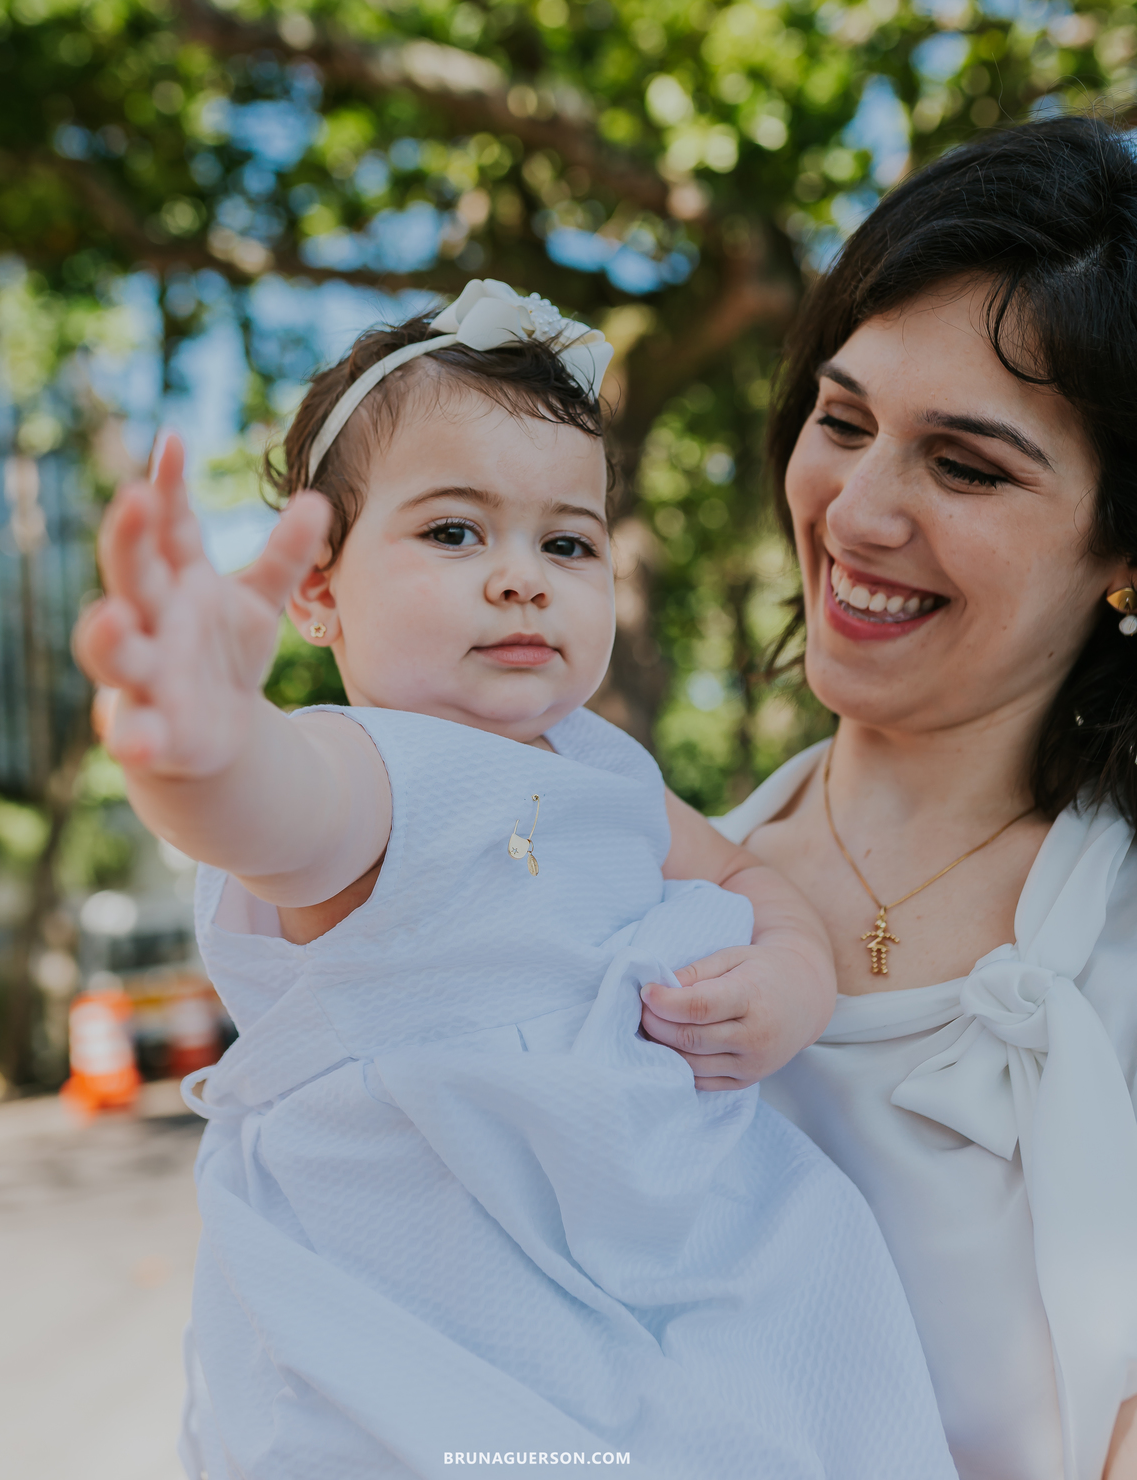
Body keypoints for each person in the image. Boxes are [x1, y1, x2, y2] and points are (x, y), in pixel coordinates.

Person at [74, 280, 955, 1480]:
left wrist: (794, 969)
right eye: (453, 532)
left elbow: (747, 870)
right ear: (319, 590)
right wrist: (199, 744)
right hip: (437, 1325)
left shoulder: (608, 773)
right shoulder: (370, 771)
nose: (521, 576)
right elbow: (270, 808)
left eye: (567, 542)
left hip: (636, 1269)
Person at [639, 116, 1137, 1480]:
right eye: (842, 420)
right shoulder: (650, 895)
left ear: (1124, 552)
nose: (857, 511)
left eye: (965, 465)